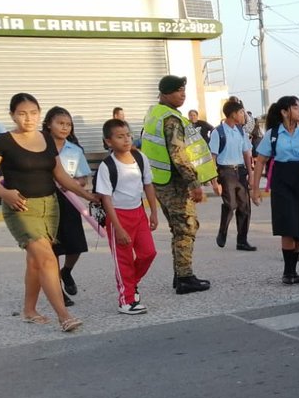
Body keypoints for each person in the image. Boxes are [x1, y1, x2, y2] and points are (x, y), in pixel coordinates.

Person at [0, 93, 97, 331]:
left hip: (50, 206)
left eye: (33, 113)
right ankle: (64, 316)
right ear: (12, 115)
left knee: (35, 261)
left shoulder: (45, 138)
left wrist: (89, 196)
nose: (28, 118)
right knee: (47, 258)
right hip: (21, 207)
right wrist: (4, 193)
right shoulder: (3, 141)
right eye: (22, 113)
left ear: (39, 114)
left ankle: (29, 310)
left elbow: (61, 175)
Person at [140, 75, 218, 294]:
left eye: (184, 90)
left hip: (159, 181)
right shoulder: (172, 119)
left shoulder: (155, 113)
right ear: (165, 94)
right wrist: (194, 183)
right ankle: (185, 278)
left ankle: (180, 273)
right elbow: (178, 155)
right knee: (185, 227)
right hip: (174, 183)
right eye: (178, 90)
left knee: (178, 227)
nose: (183, 94)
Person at [251, 96, 299, 284]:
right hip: (282, 183)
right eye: (296, 108)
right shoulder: (273, 134)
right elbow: (260, 162)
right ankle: (288, 272)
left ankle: (294, 271)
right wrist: (255, 189)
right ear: (284, 112)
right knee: (288, 227)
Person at [96, 119, 159, 314]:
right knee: (123, 260)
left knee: (149, 253)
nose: (126, 140)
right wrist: (118, 228)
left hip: (138, 212)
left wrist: (153, 212)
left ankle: (131, 283)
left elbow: (148, 185)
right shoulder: (107, 166)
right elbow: (106, 199)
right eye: (120, 137)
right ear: (108, 141)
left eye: (128, 135)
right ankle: (127, 300)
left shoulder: (140, 158)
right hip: (118, 216)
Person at [43, 106, 90, 302]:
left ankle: (67, 271)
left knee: (75, 245)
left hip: (69, 200)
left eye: (68, 124)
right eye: (60, 123)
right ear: (48, 124)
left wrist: (73, 183)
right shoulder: (40, 147)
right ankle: (57, 290)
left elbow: (83, 178)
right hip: (46, 200)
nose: (64, 128)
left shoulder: (75, 150)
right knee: (52, 248)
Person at [209, 99, 256, 251]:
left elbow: (246, 153)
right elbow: (213, 157)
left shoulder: (241, 131)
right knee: (230, 204)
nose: (244, 115)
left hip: (240, 171)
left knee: (244, 207)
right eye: (241, 112)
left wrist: (251, 174)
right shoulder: (218, 132)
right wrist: (214, 182)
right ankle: (222, 231)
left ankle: (242, 241)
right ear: (233, 114)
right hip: (226, 171)